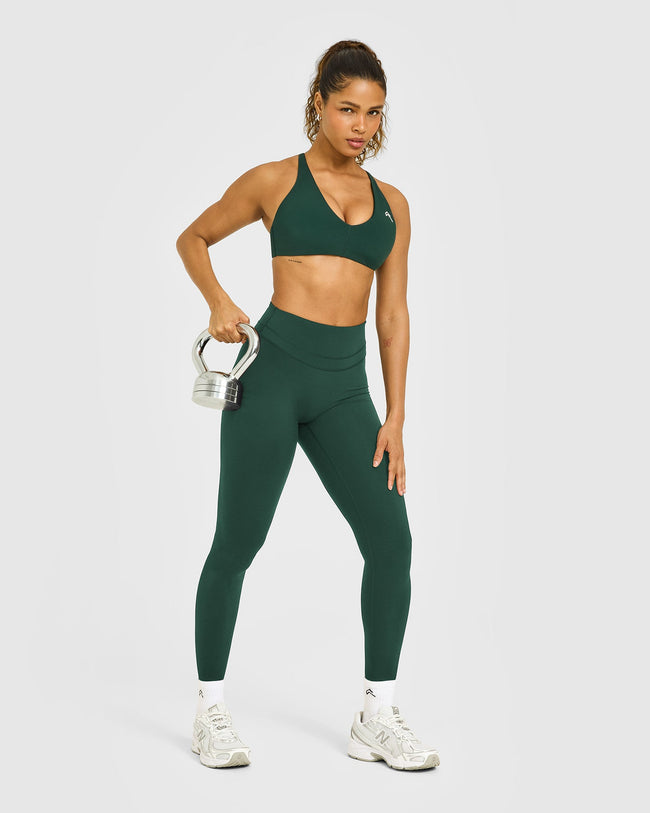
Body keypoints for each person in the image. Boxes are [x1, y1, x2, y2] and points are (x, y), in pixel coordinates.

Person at [176, 39, 440, 771]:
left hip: (344, 391)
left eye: (374, 113)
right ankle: (209, 708)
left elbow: (393, 316)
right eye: (348, 108)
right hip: (273, 377)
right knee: (238, 542)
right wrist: (219, 301)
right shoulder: (273, 181)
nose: (362, 126)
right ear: (319, 104)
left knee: (391, 538)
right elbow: (194, 237)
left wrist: (395, 417)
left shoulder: (393, 205)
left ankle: (376, 714)